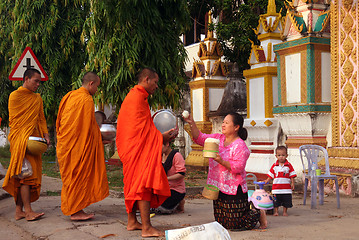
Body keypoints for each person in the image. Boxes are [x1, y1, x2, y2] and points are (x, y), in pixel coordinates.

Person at [116, 67, 177, 238]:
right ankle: (146, 227)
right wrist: (162, 137)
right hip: (137, 149)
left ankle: (132, 221)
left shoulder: (136, 97)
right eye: (155, 82)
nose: (157, 86)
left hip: (132, 148)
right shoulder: (137, 98)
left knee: (132, 184)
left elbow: (142, 129)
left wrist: (160, 136)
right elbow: (141, 132)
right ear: (147, 79)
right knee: (142, 185)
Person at [184, 112, 267, 230]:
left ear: (236, 127)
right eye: (223, 122)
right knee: (221, 223)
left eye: (227, 123)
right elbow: (200, 138)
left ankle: (258, 213)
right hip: (219, 185)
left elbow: (238, 167)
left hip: (234, 188)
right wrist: (192, 123)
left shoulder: (240, 146)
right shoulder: (217, 138)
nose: (223, 125)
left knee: (235, 225)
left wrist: (221, 161)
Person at [56, 72, 109, 221]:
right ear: (91, 84)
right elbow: (86, 129)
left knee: (72, 178)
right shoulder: (86, 100)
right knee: (78, 176)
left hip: (66, 144)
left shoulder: (69, 96)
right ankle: (76, 211)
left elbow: (61, 122)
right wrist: (99, 140)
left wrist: (98, 140)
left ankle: (76, 209)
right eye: (97, 86)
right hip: (78, 146)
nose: (97, 90)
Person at [2, 68, 50, 221]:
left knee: (24, 175)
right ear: (26, 79)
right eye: (36, 81)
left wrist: (46, 135)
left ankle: (18, 211)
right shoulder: (14, 96)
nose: (38, 84)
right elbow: (16, 121)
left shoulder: (37, 98)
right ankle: (28, 212)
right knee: (25, 176)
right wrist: (26, 137)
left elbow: (41, 119)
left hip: (34, 141)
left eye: (39, 82)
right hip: (20, 140)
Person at [154, 141, 186, 214]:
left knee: (162, 210)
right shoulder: (160, 156)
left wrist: (166, 179)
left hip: (175, 189)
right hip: (162, 188)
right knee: (147, 205)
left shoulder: (176, 155)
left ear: (167, 144)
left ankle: (180, 201)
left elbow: (181, 174)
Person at [264, 146, 296, 216]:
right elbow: (271, 175)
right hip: (276, 188)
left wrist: (292, 183)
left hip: (286, 189)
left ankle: (285, 212)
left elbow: (292, 175)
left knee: (286, 200)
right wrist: (267, 180)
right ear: (276, 156)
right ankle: (276, 211)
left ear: (286, 156)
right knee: (276, 201)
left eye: (283, 155)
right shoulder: (275, 166)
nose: (281, 157)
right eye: (279, 155)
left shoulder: (289, 165)